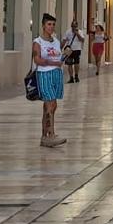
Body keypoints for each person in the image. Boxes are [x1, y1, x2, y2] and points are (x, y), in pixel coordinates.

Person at [33, 14, 67, 147]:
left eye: (53, 24)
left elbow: (58, 56)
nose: (51, 27)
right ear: (43, 25)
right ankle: (51, 135)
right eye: (49, 24)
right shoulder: (38, 42)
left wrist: (64, 56)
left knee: (52, 106)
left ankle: (44, 135)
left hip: (56, 74)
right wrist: (52, 63)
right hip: (44, 74)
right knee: (50, 104)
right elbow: (37, 59)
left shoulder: (56, 41)